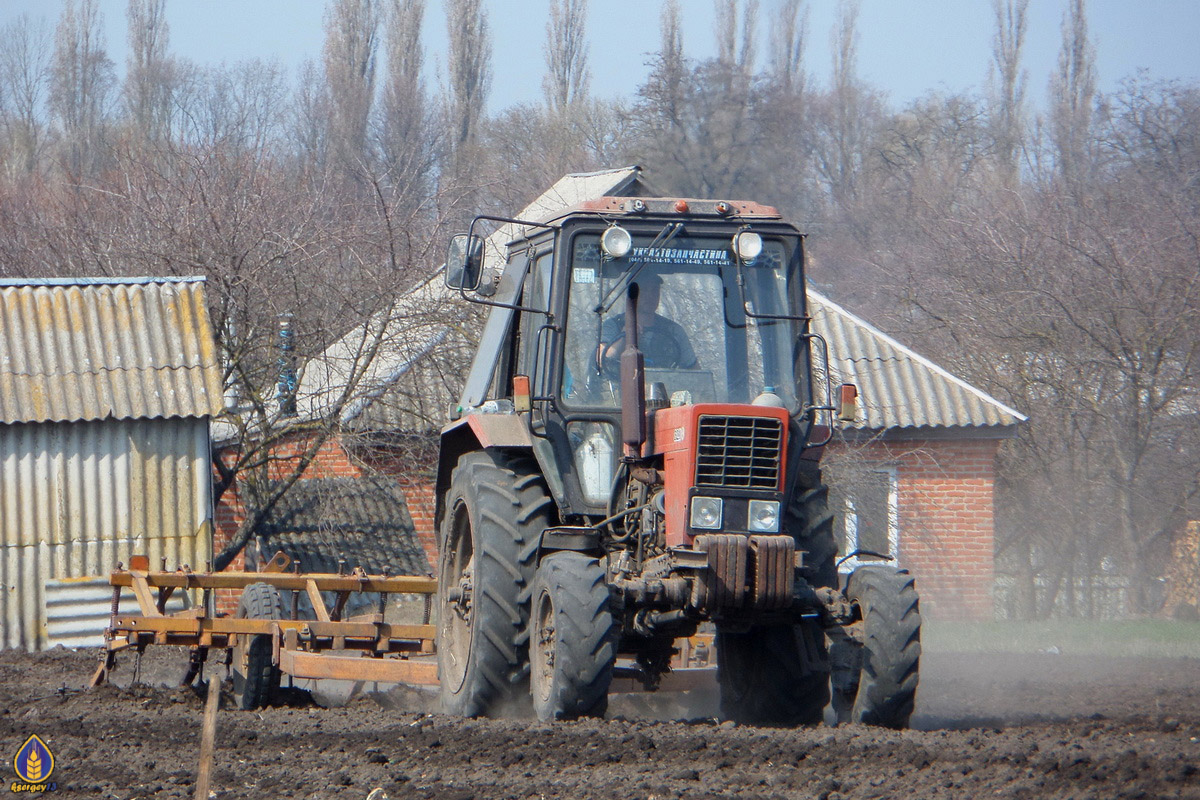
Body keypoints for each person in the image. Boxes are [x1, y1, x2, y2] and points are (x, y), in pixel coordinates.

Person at [597, 272, 698, 373]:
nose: (650, 296)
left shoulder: (674, 330)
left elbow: (696, 373)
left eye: (654, 291)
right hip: (621, 387)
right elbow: (601, 361)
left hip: (665, 387)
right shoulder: (613, 326)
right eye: (643, 290)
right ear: (631, 294)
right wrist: (624, 336)